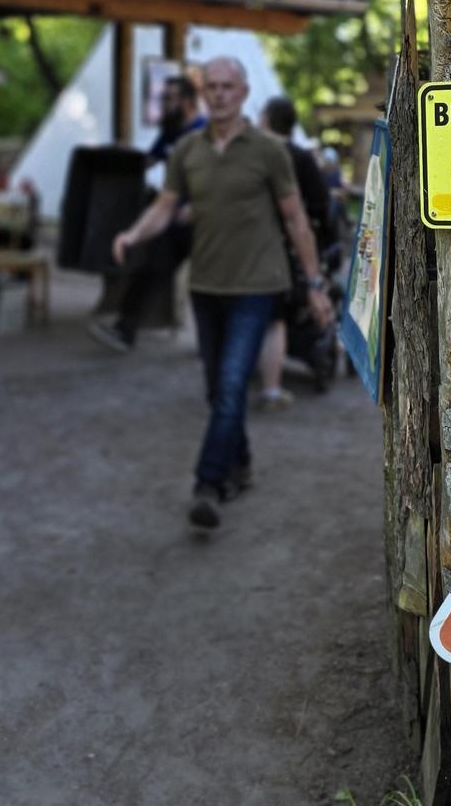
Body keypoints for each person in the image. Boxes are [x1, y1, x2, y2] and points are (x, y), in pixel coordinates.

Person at [110, 58, 333, 529]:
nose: (220, 94)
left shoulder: (269, 152)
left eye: (228, 86)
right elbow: (166, 208)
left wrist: (314, 284)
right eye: (211, 87)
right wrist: (133, 234)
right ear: (202, 93)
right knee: (218, 389)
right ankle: (241, 462)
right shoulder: (186, 150)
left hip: (257, 286)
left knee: (232, 384)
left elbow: (296, 220)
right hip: (206, 286)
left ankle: (208, 485)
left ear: (244, 91)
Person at [88, 76, 204, 352]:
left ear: (187, 101)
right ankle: (124, 330)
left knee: (207, 284)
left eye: (170, 99)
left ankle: (213, 342)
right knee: (149, 266)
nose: (164, 104)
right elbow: (149, 160)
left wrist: (196, 206)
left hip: (203, 221)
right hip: (172, 218)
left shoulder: (204, 132)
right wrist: (118, 157)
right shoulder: (171, 132)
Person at [255, 96, 337, 409]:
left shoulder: (259, 152)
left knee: (271, 318)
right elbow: (320, 204)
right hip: (295, 249)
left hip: (265, 245)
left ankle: (270, 385)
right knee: (273, 318)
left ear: (266, 120)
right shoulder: (301, 157)